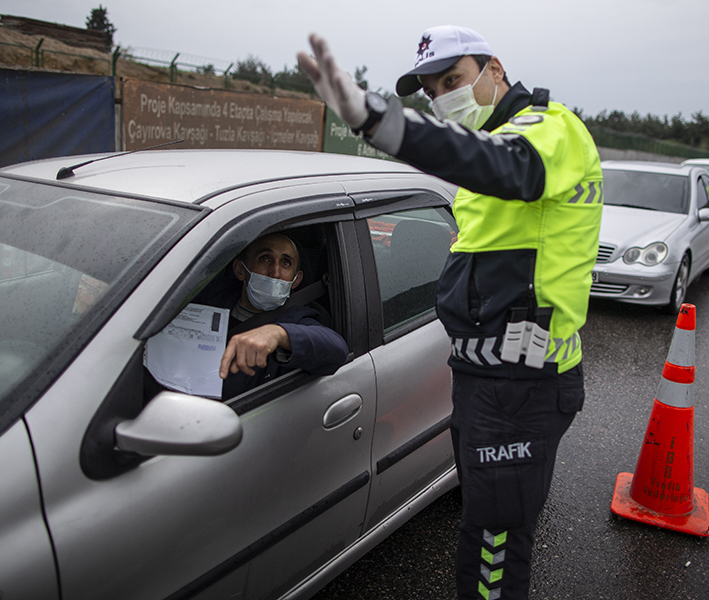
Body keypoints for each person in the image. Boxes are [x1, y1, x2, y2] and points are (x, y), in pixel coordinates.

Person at [298, 25, 603, 600]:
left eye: (453, 79)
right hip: (483, 378)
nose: (443, 97)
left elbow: (502, 164)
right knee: (482, 527)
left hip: (523, 382)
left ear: (494, 68)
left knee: (494, 545)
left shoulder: (547, 129)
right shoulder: (491, 147)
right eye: (432, 90)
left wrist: (379, 119)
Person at [207, 232, 349, 399]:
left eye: (286, 263)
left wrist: (278, 334)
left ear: (296, 280)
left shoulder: (298, 319)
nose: (275, 272)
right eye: (265, 259)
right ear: (240, 270)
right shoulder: (211, 297)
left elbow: (337, 349)